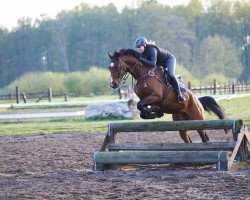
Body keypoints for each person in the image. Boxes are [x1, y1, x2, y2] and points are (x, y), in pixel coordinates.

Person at [134, 36, 186, 103]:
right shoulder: (142, 53)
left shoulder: (152, 50)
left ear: (145, 45)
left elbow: (153, 64)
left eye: (139, 47)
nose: (138, 49)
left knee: (170, 74)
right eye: (137, 47)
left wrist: (142, 60)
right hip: (160, 63)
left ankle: (179, 94)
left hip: (169, 59)